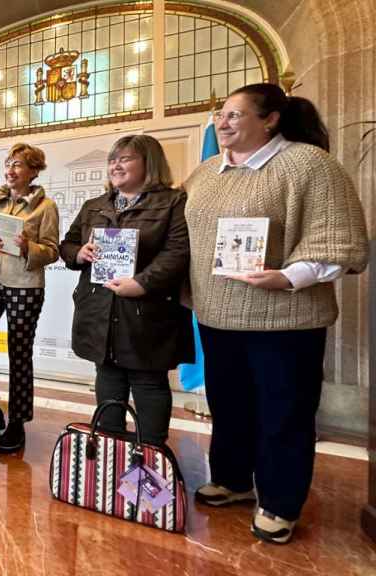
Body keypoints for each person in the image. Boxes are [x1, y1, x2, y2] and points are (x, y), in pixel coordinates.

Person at [183, 83, 368, 544]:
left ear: (270, 120)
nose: (221, 123)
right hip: (217, 313)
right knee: (228, 405)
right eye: (219, 115)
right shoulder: (205, 173)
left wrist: (287, 276)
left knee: (283, 413)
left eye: (234, 115)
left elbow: (341, 241)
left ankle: (281, 503)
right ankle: (232, 481)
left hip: (285, 320)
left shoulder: (309, 165)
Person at [60, 134, 192, 448]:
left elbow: (178, 252)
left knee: (148, 383)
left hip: (147, 311)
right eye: (113, 159)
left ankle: (149, 457)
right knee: (107, 377)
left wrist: (141, 283)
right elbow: (67, 244)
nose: (116, 166)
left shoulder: (172, 202)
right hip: (99, 308)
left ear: (150, 163)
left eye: (126, 158)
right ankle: (110, 453)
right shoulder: (95, 205)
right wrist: (80, 254)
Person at [0, 143, 59, 453]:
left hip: (25, 285)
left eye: (18, 164)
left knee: (19, 353)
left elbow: (52, 249)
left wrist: (27, 248)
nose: (10, 169)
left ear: (33, 171)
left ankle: (18, 422)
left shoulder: (45, 206)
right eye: (8, 163)